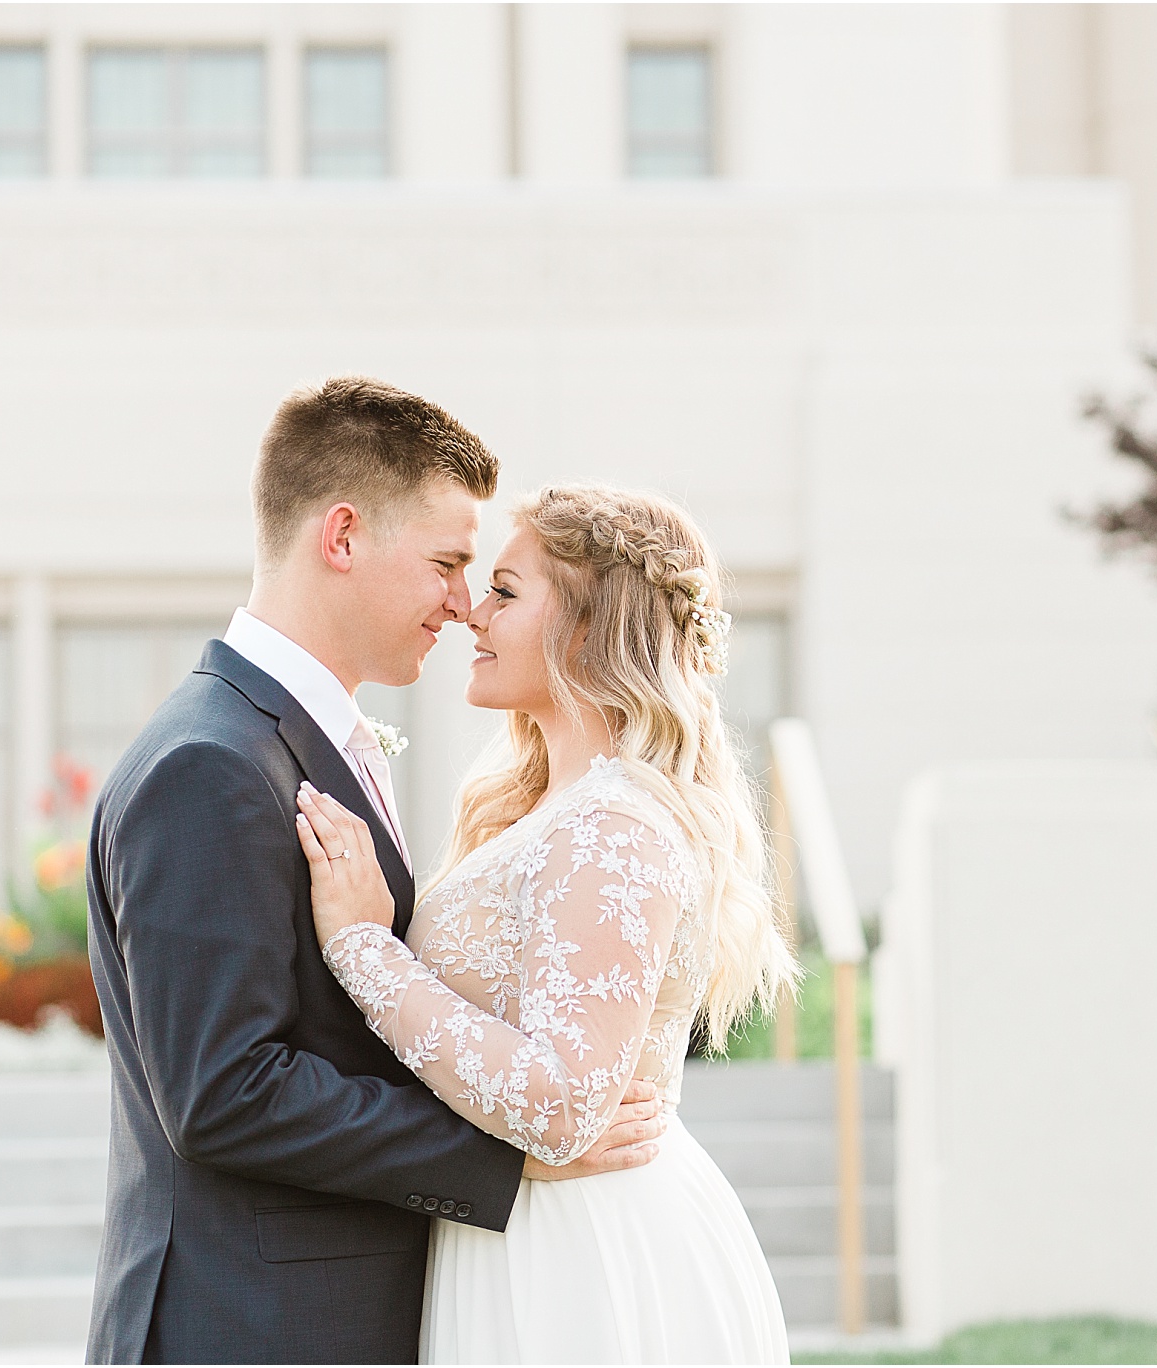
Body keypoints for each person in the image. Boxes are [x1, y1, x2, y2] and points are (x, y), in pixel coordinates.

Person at [85, 379, 663, 1365]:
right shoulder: (210, 766)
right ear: (342, 536)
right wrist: (507, 1155)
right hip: (256, 1332)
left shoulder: (289, 741)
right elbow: (226, 1092)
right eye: (445, 562)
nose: (459, 602)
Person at [295, 483, 796, 1363]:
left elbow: (563, 1105)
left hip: (584, 1260)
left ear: (590, 629)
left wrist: (362, 949)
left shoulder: (613, 827)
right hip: (525, 1238)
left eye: (507, 592)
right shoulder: (552, 809)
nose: (471, 615)